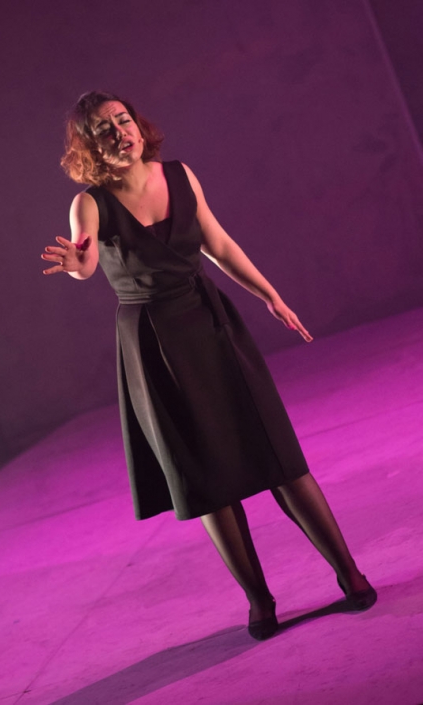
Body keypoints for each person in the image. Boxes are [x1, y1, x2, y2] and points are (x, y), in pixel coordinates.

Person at [41, 91, 377, 640]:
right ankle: (259, 600)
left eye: (124, 120)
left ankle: (349, 572)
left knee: (280, 456)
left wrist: (270, 296)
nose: (120, 132)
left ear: (137, 125)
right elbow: (84, 263)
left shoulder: (178, 175)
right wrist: (79, 263)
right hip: (154, 343)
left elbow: (217, 243)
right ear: (90, 145)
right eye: (104, 129)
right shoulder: (90, 204)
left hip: (211, 321)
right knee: (207, 478)